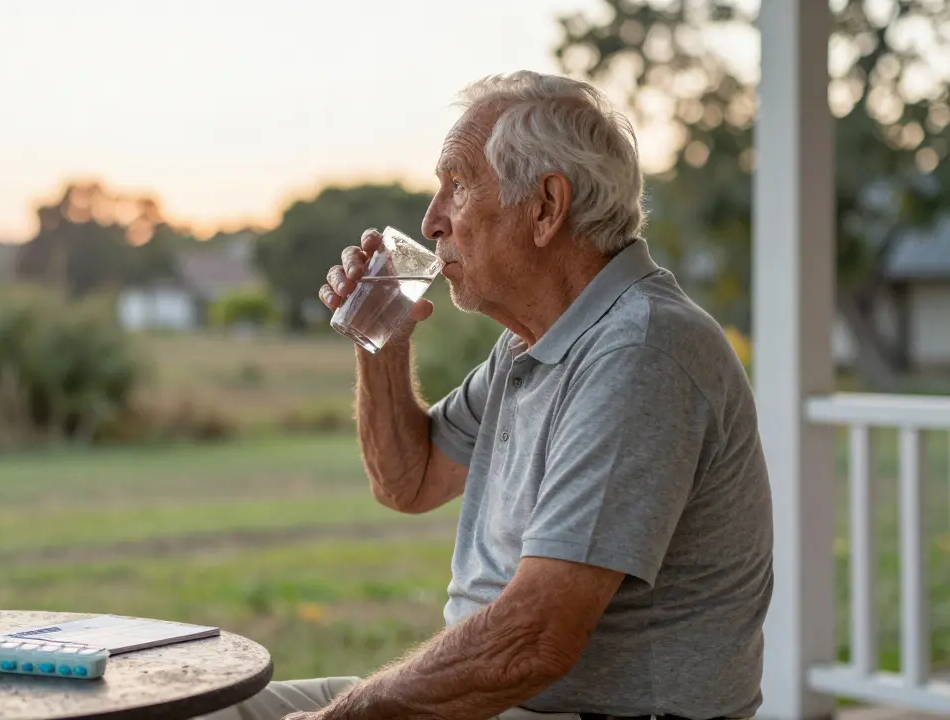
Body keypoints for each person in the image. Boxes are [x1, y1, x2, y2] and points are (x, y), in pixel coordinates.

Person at [198, 70, 773, 720]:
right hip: (506, 702)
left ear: (546, 208)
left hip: (579, 711)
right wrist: (379, 337)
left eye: (458, 185)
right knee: (184, 708)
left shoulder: (643, 351)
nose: (431, 220)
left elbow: (536, 639)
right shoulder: (532, 343)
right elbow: (409, 482)